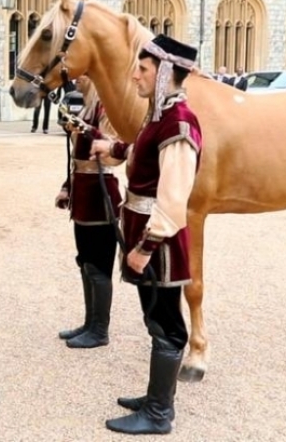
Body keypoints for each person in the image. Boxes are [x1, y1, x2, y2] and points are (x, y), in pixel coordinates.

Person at [89, 34, 203, 436]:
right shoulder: (158, 117)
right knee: (155, 318)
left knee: (167, 323)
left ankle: (158, 414)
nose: (134, 75)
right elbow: (141, 151)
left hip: (160, 245)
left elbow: (174, 197)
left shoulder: (180, 123)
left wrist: (145, 247)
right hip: (145, 237)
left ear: (166, 72)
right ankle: (156, 398)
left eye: (143, 69)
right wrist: (115, 149)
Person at [54, 75, 122, 349]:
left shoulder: (107, 110)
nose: (76, 79)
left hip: (100, 194)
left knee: (99, 265)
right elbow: (78, 160)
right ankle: (90, 322)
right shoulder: (86, 108)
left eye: (83, 75)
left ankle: (100, 329)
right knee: (85, 262)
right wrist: (67, 187)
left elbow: (112, 151)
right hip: (84, 192)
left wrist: (85, 129)